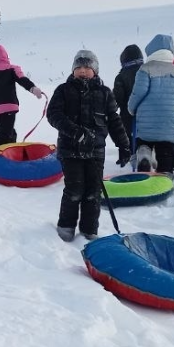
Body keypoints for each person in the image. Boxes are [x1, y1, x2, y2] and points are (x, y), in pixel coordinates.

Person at [47, 50, 131, 242]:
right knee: (74, 190)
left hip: (95, 152)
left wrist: (123, 145)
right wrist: (74, 131)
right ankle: (66, 227)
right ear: (73, 70)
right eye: (79, 67)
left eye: (87, 67)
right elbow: (53, 115)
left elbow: (114, 121)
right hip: (70, 150)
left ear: (95, 70)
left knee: (93, 192)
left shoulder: (104, 93)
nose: (83, 71)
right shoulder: (63, 90)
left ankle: (89, 230)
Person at [127, 34, 174, 174]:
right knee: (165, 150)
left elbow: (138, 93)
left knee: (145, 142)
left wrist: (131, 108)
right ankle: (165, 175)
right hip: (170, 121)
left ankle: (144, 155)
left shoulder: (145, 69)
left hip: (147, 117)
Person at [0, 44, 45, 164]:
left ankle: (10, 156)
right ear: (5, 55)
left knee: (10, 133)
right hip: (8, 106)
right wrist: (33, 89)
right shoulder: (11, 68)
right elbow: (23, 80)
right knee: (4, 135)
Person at [113, 44, 143, 159]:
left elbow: (118, 97)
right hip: (148, 113)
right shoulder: (148, 72)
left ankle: (132, 155)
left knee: (129, 137)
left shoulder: (121, 76)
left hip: (128, 114)